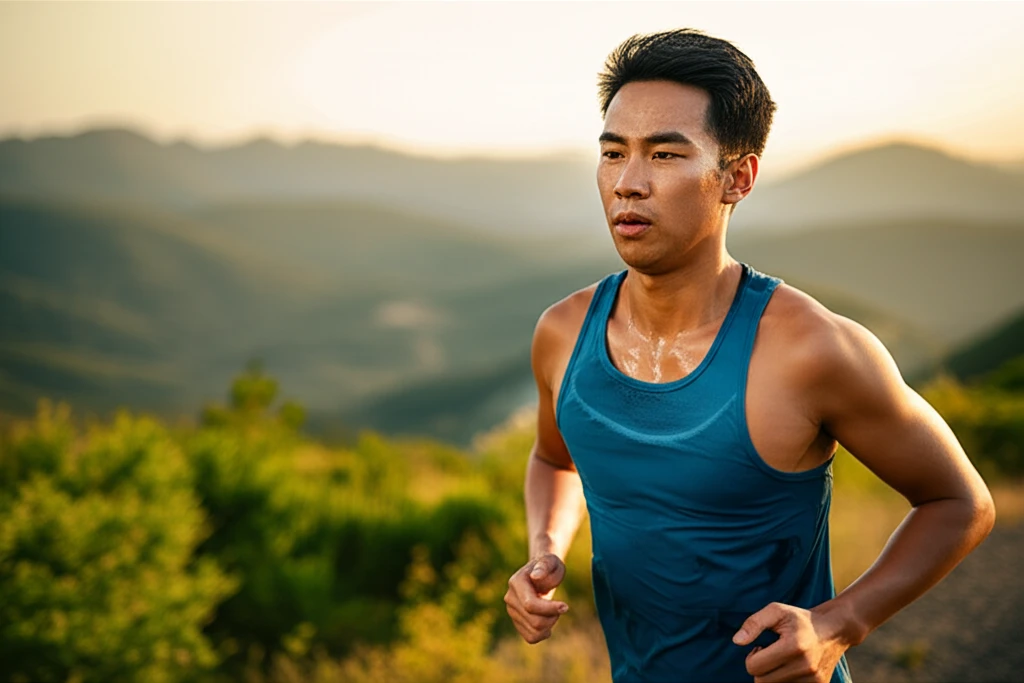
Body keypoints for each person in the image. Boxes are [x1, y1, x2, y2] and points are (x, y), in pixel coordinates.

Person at [502, 29, 996, 683]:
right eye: (613, 152)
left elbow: (961, 502)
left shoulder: (812, 349)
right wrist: (545, 550)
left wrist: (838, 622)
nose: (628, 182)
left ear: (737, 177)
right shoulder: (563, 332)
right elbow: (553, 457)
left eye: (666, 154)